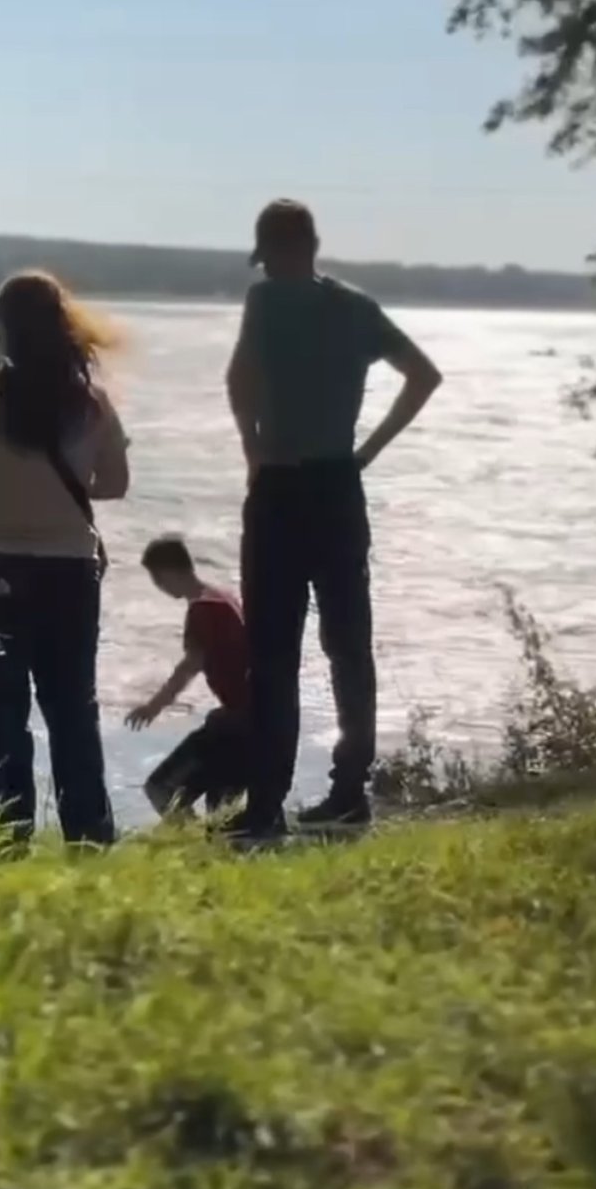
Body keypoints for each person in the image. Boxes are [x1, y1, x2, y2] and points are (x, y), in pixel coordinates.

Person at [227, 199, 442, 838]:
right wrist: (364, 454)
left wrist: (252, 448)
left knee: (272, 652)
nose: (269, 269)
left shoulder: (264, 300)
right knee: (348, 647)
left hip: (280, 490)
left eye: (269, 258)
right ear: (314, 244)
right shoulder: (355, 306)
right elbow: (423, 376)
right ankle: (349, 793)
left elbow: (238, 379)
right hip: (338, 488)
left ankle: (266, 806)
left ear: (276, 251)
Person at [0, 271, 129, 846]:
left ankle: (7, 840)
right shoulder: (90, 405)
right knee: (72, 711)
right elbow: (115, 484)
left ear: (1, 327)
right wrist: (56, 492)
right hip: (64, 571)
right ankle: (88, 838)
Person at [126, 536, 250, 819]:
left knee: (161, 789)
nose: (159, 586)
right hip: (253, 720)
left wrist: (153, 706)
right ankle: (205, 842)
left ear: (168, 572)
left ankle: (187, 838)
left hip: (236, 725)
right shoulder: (222, 597)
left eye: (157, 579)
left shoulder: (203, 610)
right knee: (221, 812)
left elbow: (191, 665)